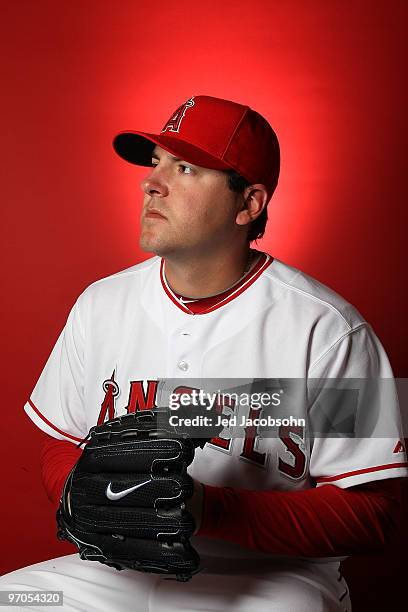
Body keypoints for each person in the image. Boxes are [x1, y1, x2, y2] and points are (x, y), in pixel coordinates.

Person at [1, 95, 407, 611]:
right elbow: (60, 440)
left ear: (249, 204)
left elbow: (374, 513)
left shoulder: (329, 329)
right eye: (156, 164)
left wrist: (206, 509)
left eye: (187, 168)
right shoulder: (100, 304)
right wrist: (81, 491)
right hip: (113, 574)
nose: (152, 182)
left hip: (271, 581)